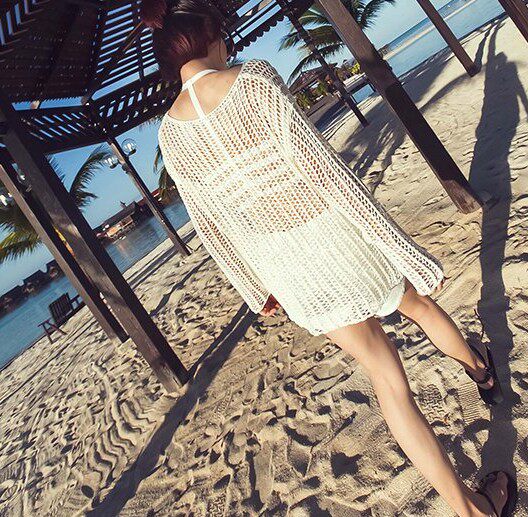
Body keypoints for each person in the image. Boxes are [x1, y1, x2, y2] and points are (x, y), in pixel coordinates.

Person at [140, 0, 516, 514]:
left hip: (290, 273)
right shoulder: (252, 81)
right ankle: (481, 370)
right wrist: (401, 248)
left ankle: (470, 510)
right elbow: (326, 173)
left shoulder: (170, 134)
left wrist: (256, 289)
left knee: (387, 382)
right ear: (209, 35)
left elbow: (211, 225)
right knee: (419, 305)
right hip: (336, 241)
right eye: (222, 34)